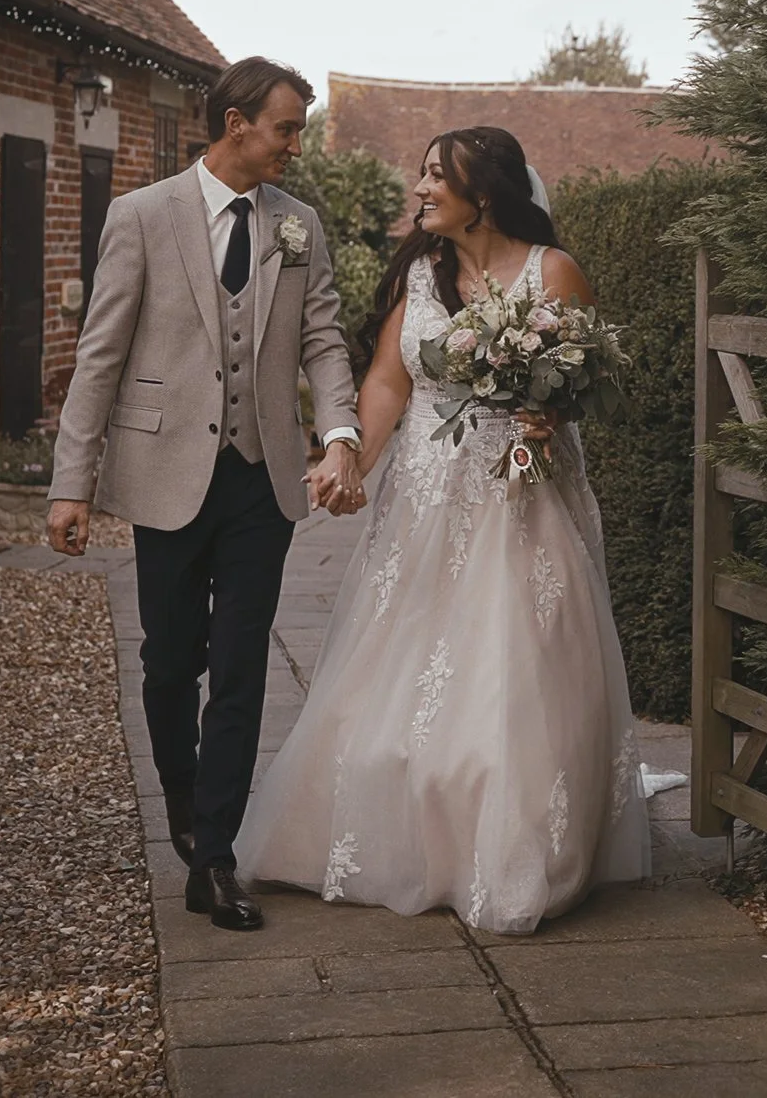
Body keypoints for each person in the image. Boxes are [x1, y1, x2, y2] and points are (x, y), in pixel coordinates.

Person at [235, 125, 650, 931]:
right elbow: (389, 381)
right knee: (400, 661)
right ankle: (390, 830)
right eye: (420, 175)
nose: (419, 190)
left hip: (522, 486)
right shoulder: (420, 274)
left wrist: (545, 412)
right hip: (425, 495)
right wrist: (347, 457)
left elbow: (583, 379)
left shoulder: (552, 272)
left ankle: (516, 851)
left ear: (483, 193)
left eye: (435, 178)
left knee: (518, 658)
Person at [46, 57, 365, 932]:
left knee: (241, 665)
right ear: (234, 124)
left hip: (262, 480)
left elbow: (326, 342)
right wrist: (70, 484)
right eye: (287, 128)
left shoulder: (300, 226)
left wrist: (339, 433)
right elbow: (100, 354)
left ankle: (215, 857)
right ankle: (183, 800)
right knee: (168, 661)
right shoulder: (141, 217)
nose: (297, 144)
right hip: (164, 476)